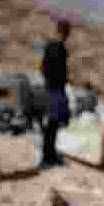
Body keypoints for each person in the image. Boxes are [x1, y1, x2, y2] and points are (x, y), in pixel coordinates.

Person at [39, 19, 72, 168]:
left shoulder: (51, 46)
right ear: (64, 33)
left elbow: (43, 68)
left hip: (53, 88)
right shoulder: (57, 48)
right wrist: (56, 82)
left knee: (53, 123)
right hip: (55, 89)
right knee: (52, 124)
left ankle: (50, 155)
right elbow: (50, 69)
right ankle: (48, 157)